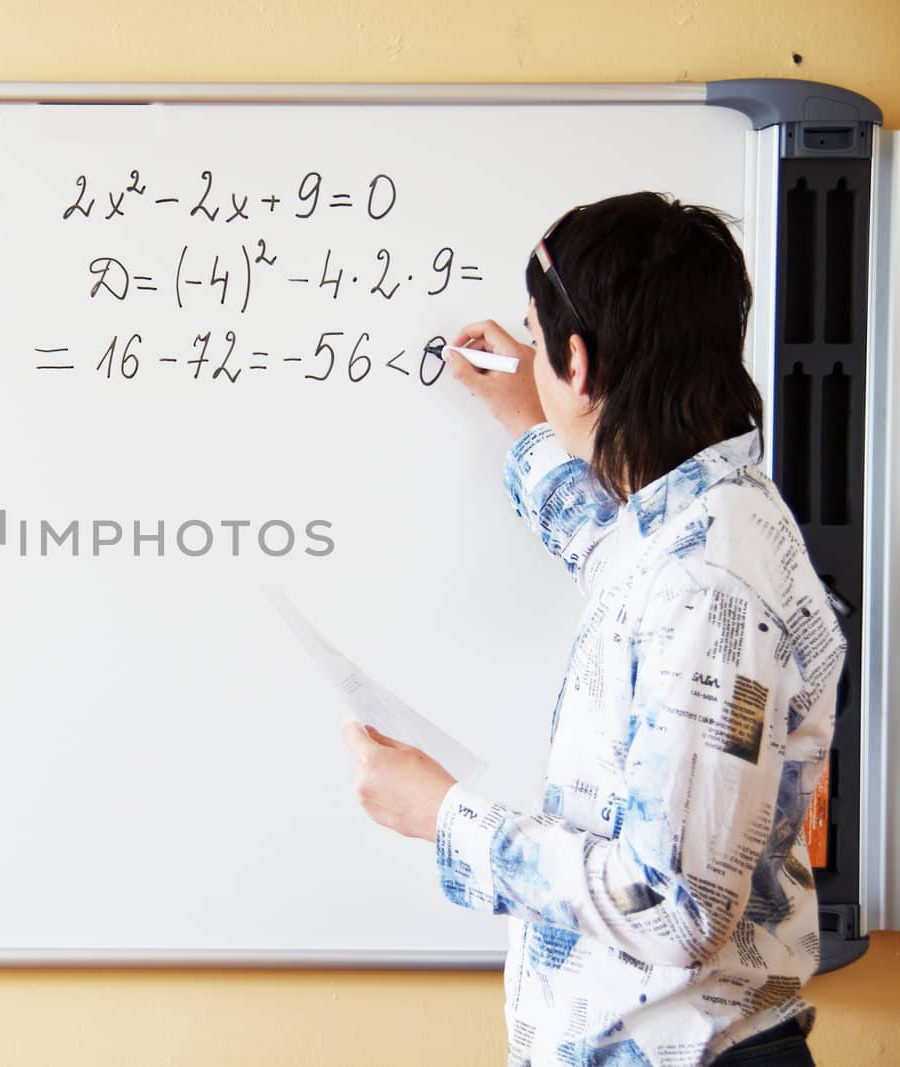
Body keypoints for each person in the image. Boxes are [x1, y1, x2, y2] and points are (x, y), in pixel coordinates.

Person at [339, 191, 845, 1066]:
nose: (531, 356)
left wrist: (443, 816)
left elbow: (673, 903)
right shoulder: (699, 519)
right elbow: (616, 559)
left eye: (540, 339)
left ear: (577, 361)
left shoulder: (709, 585)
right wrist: (524, 421)